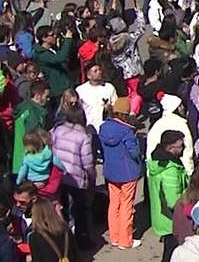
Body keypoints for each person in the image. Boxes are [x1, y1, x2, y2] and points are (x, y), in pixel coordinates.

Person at [149, 130, 189, 262]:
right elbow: (174, 201)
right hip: (172, 220)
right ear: (171, 147)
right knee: (172, 260)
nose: (184, 149)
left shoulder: (157, 162)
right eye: (180, 146)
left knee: (169, 258)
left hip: (162, 218)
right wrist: (191, 208)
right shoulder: (171, 169)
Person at [50, 104, 96, 248]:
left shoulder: (58, 130)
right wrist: (91, 176)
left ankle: (65, 241)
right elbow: (87, 162)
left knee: (62, 209)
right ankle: (83, 241)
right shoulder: (83, 136)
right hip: (76, 178)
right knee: (80, 210)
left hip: (59, 176)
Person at [100, 108, 143, 250]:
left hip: (111, 172)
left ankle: (115, 237)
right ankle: (125, 240)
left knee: (114, 204)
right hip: (128, 173)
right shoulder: (127, 131)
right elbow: (134, 152)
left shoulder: (104, 127)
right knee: (126, 206)